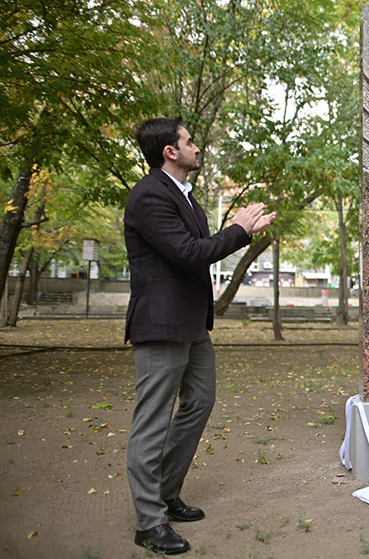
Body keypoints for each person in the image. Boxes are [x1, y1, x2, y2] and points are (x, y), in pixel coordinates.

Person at [124, 117, 276, 554]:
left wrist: (238, 233)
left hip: (191, 325)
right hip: (161, 325)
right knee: (152, 423)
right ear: (170, 151)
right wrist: (239, 230)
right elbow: (189, 254)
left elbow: (198, 251)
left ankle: (165, 493)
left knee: (200, 402)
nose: (196, 147)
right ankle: (149, 523)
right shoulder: (149, 195)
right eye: (189, 141)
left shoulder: (185, 196)